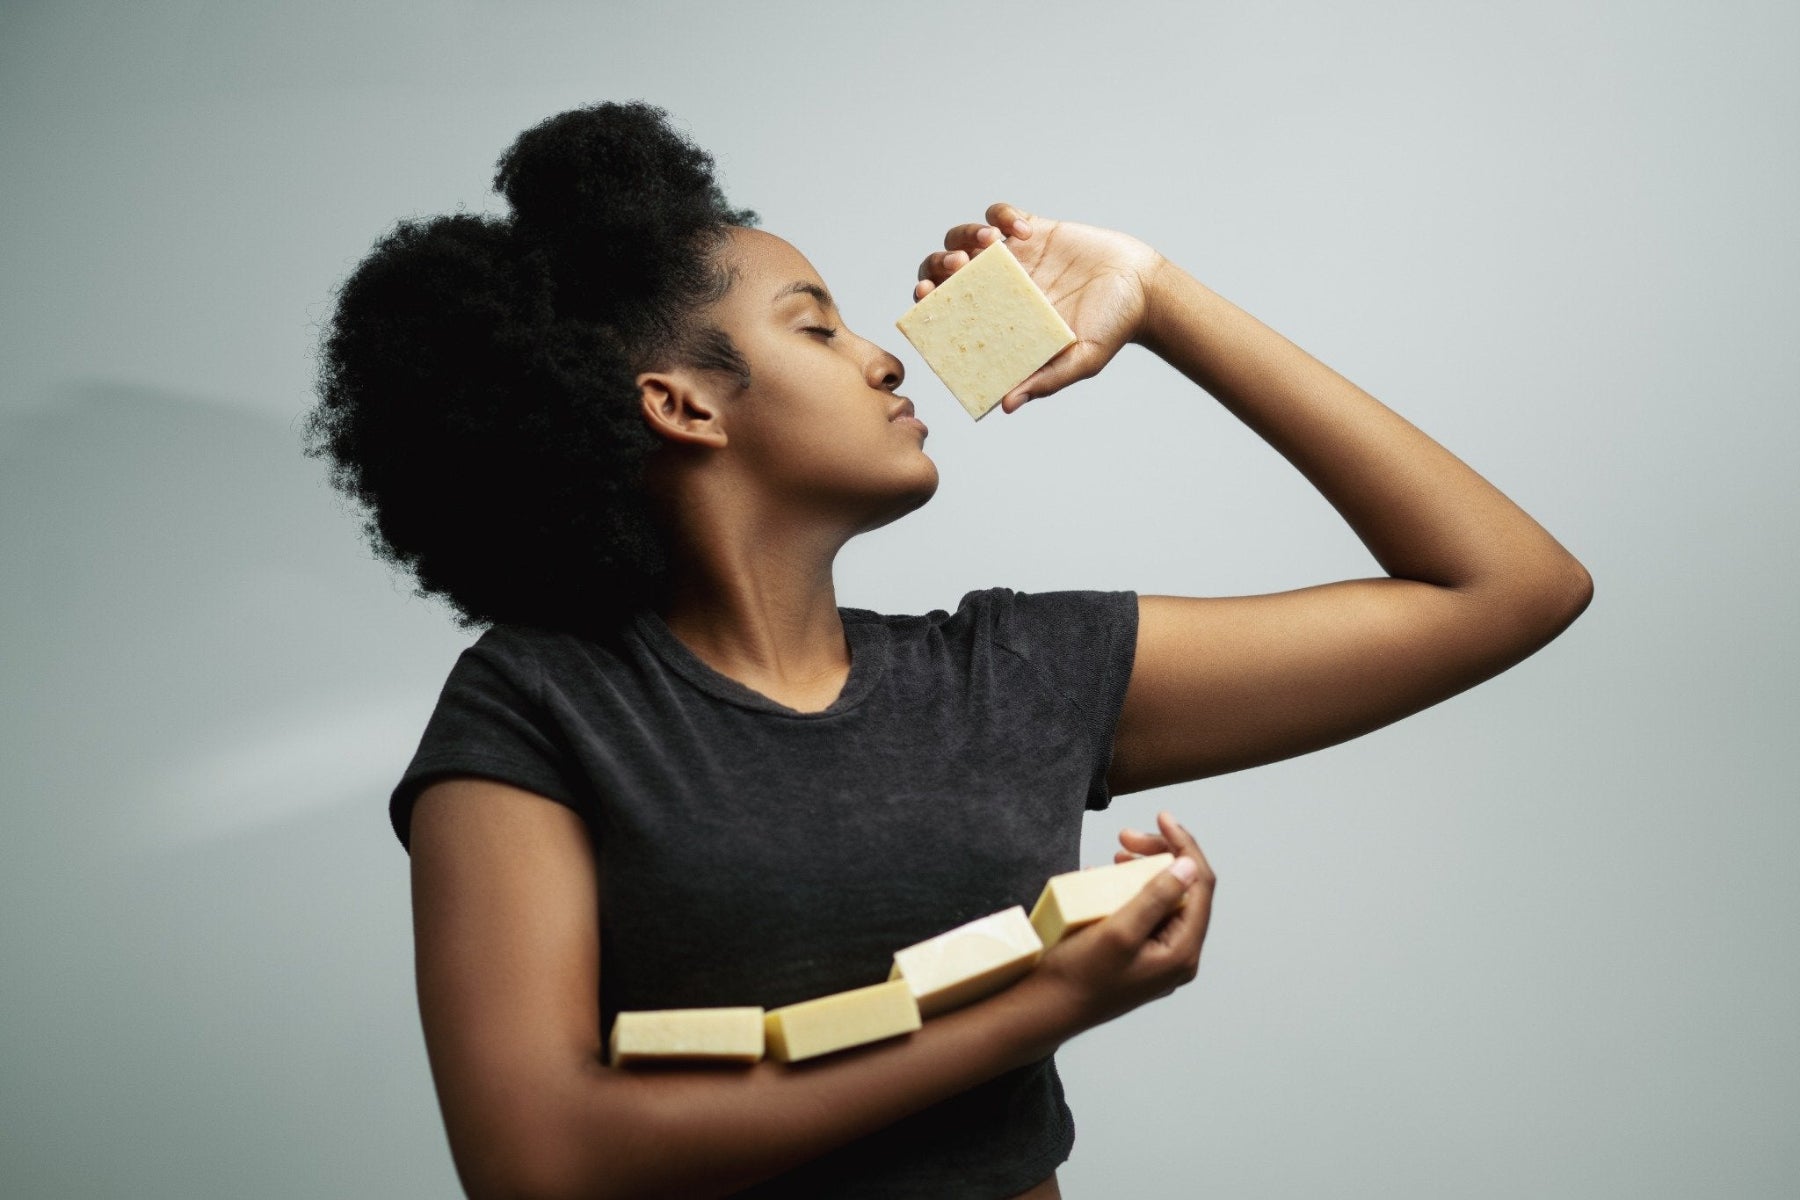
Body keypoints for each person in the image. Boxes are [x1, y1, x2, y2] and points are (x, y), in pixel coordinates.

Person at [303, 100, 1591, 1200]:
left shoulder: (1013, 675)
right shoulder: (539, 706)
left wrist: (1157, 296)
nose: (880, 355)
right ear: (681, 402)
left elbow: (1510, 587)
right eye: (814, 326)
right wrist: (1042, 1004)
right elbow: (539, 1162)